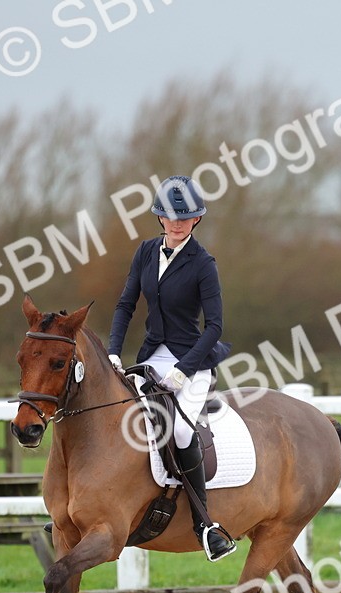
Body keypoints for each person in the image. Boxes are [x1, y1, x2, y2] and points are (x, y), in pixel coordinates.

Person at [108, 176, 236, 562]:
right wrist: (114, 352)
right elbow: (125, 304)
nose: (177, 224)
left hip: (193, 360)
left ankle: (204, 524)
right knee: (120, 416)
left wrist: (183, 371)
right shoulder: (146, 252)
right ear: (159, 218)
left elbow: (214, 326)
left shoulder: (203, 264)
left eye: (186, 218)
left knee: (179, 429)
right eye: (170, 216)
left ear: (196, 220)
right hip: (152, 355)